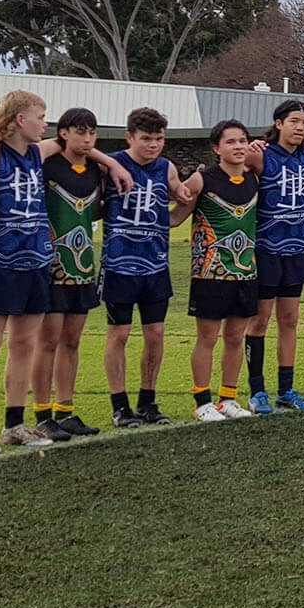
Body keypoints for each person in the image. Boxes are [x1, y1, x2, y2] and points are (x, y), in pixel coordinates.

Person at [0, 90, 130, 450]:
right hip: (0, 265)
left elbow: (80, 147)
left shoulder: (37, 152)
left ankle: (14, 424)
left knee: (24, 345)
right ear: (20, 119)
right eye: (40, 116)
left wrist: (114, 164)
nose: (45, 123)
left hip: (37, 263)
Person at [102, 108, 186, 427]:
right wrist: (108, 162)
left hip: (156, 265)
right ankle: (119, 405)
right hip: (119, 264)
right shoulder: (112, 163)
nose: (153, 145)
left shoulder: (166, 167)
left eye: (159, 139)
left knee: (156, 333)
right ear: (129, 137)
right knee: (119, 334)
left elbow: (181, 199)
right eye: (146, 139)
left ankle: (148, 401)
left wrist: (185, 193)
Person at [180, 120, 263, 420]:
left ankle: (228, 397)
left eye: (243, 140)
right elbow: (175, 217)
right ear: (217, 148)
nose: (239, 146)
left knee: (235, 337)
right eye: (231, 142)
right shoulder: (202, 180)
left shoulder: (255, 178)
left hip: (245, 272)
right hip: (209, 273)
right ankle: (203, 400)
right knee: (208, 338)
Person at [33, 107, 105, 439]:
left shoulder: (95, 170)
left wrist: (109, 163)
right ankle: (41, 414)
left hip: (83, 266)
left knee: (72, 341)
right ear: (63, 133)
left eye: (92, 132)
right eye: (80, 132)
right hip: (50, 265)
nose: (87, 139)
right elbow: (34, 149)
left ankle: (66, 410)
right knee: (46, 341)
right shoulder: (46, 162)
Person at [246, 98, 304, 413]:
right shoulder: (261, 155)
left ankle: (286, 389)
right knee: (259, 321)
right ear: (279, 124)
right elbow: (230, 161)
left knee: (289, 320)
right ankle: (257, 391)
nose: (300, 128)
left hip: (297, 247)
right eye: (294, 122)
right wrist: (249, 146)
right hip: (267, 248)